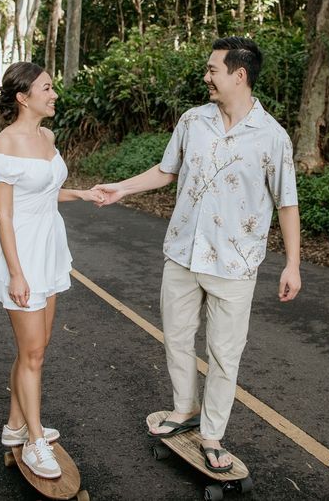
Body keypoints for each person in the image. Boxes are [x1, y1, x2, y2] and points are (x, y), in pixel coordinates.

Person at [95, 36, 302, 473]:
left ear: (239, 74)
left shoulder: (272, 137)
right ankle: (184, 408)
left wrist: (293, 264)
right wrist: (122, 188)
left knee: (225, 354)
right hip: (183, 252)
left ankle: (211, 435)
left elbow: (287, 203)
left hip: (235, 262)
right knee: (176, 337)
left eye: (213, 69)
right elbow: (165, 171)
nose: (206, 76)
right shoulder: (192, 121)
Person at [0, 61, 103, 479]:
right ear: (23, 97)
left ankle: (15, 427)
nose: (54, 94)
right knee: (31, 353)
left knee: (38, 347)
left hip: (50, 248)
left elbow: (47, 193)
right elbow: (6, 216)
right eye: (47, 88)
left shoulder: (48, 136)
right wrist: (16, 273)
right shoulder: (6, 144)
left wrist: (83, 194)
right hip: (23, 253)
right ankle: (34, 442)